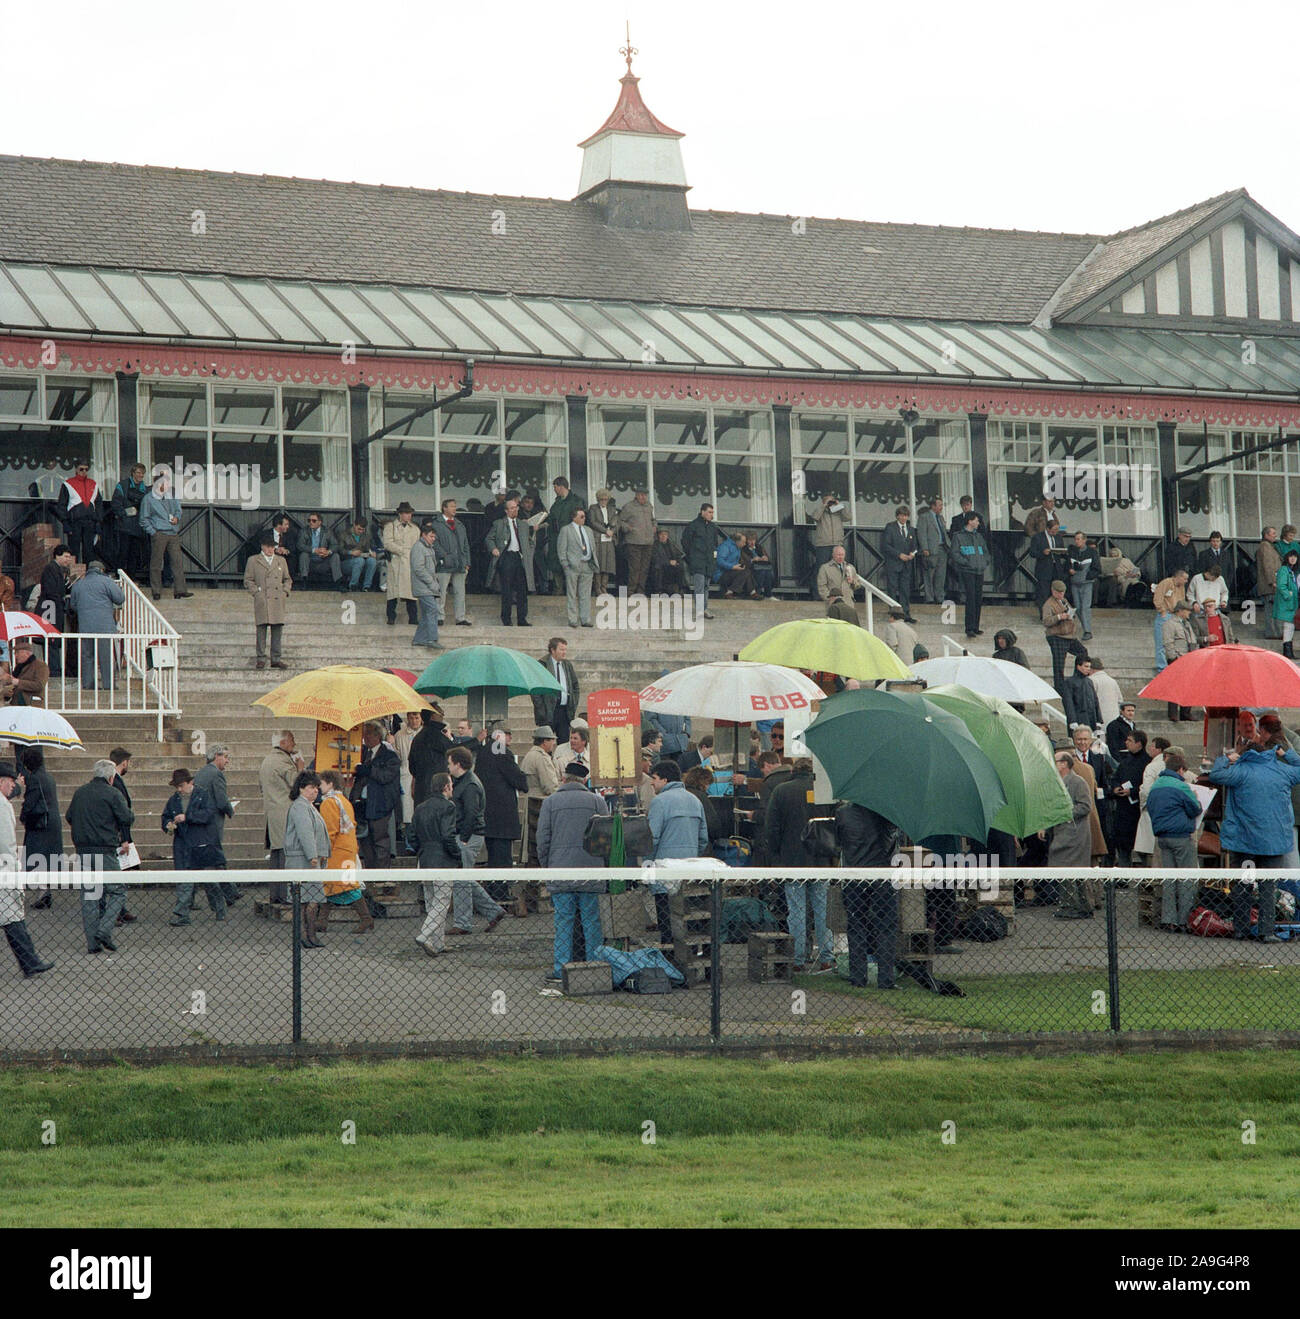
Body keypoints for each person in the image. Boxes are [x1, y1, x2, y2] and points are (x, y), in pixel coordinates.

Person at [1208, 736, 1300, 942]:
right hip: (1274, 843)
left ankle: (1241, 929)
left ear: (1247, 753)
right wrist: (1287, 754)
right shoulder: (1282, 770)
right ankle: (1266, 932)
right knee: (1268, 887)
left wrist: (1227, 758)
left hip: (1245, 843)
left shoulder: (1240, 771)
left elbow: (1216, 775)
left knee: (1243, 886)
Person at [538, 760, 608, 980]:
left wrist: (547, 865)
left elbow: (542, 839)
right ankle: (594, 966)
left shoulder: (550, 803)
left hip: (561, 870)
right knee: (591, 921)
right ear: (585, 780)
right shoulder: (597, 802)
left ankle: (561, 969)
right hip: (591, 871)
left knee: (563, 922)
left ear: (564, 779)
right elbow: (606, 838)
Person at [765, 757, 833, 972]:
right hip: (821, 859)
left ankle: (798, 958)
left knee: (796, 910)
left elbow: (772, 829)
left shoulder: (781, 791)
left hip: (792, 860)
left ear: (794, 770)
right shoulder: (825, 791)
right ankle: (826, 957)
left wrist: (775, 856)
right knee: (822, 910)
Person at [66, 759, 133, 954]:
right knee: (118, 890)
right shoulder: (113, 793)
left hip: (83, 851)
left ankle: (92, 943)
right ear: (111, 778)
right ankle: (104, 930)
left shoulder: (80, 793)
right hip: (105, 850)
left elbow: (70, 816)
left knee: (90, 896)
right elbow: (127, 818)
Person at [646, 759, 709, 948]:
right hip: (689, 872)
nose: (651, 782)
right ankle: (692, 954)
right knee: (688, 919)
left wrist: (648, 864)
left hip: (664, 872)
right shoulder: (694, 800)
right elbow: (703, 838)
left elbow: (652, 838)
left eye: (654, 778)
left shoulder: (659, 802)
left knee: (666, 920)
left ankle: (669, 956)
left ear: (665, 780)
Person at [837, 800, 899, 988]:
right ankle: (886, 979)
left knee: (856, 926)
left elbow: (840, 840)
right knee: (886, 927)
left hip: (854, 875)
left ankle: (858, 977)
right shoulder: (887, 812)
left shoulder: (843, 813)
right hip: (882, 875)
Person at [0, 759, 52, 977]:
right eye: (10, 781)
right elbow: (5, 843)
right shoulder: (2, 806)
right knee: (12, 917)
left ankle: (30, 962)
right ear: (1, 781)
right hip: (4, 870)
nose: (13, 785)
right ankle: (30, 962)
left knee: (11, 918)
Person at [446, 744, 504, 934]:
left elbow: (471, 812)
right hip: (469, 834)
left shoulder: (469, 784)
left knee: (462, 879)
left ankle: (463, 923)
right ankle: (493, 911)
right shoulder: (468, 781)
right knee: (464, 877)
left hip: (468, 835)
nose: (448, 766)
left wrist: (463, 838)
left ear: (458, 764)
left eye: (450, 763)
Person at [1147, 749, 1202, 931]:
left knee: (1169, 879)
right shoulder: (1181, 786)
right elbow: (1194, 809)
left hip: (1162, 837)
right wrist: (1196, 800)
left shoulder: (1155, 786)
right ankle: (1184, 920)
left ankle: (1168, 919)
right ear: (1180, 770)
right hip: (1180, 837)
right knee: (1186, 878)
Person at [165, 768, 229, 925]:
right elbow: (165, 816)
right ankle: (182, 914)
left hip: (201, 843)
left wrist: (187, 817)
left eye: (181, 785)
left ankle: (219, 908)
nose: (179, 790)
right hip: (184, 844)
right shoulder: (174, 800)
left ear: (190, 782)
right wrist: (167, 824)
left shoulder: (203, 795)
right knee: (184, 880)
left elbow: (208, 815)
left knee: (209, 881)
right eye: (177, 787)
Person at [412, 772, 461, 957]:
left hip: (424, 858)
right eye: (451, 785)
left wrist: (421, 850)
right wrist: (457, 855)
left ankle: (438, 943)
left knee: (432, 901)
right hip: (442, 860)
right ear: (445, 787)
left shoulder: (420, 808)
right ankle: (425, 935)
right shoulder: (448, 807)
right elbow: (448, 836)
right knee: (442, 901)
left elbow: (412, 836)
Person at [317, 770, 373, 933]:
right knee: (338, 884)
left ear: (330, 784)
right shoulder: (343, 801)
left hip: (336, 851)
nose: (319, 787)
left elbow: (330, 830)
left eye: (321, 783)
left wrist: (323, 851)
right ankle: (323, 920)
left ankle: (365, 918)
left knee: (339, 884)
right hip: (348, 848)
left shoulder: (329, 802)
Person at [284, 771, 331, 949]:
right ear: (301, 788)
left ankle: (308, 935)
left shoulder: (307, 806)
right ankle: (306, 935)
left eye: (317, 788)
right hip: (302, 860)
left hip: (308, 859)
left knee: (309, 900)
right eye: (311, 787)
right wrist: (313, 855)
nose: (315, 791)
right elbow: (305, 833)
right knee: (307, 901)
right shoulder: (300, 807)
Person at [476, 723, 529, 872]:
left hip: (488, 811)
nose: (510, 737)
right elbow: (517, 778)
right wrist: (524, 782)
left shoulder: (483, 751)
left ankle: (495, 887)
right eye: (507, 733)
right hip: (502, 814)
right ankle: (501, 890)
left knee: (493, 855)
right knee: (503, 856)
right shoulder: (502, 751)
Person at [193, 743, 241, 906]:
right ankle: (226, 895)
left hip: (201, 822)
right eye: (226, 757)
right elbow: (221, 800)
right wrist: (230, 810)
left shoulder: (200, 773)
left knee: (210, 859)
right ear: (217, 756)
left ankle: (230, 892)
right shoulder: (216, 775)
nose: (227, 761)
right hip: (212, 823)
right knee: (215, 858)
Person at [1049, 751, 1094, 919]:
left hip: (1075, 834)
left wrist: (1064, 813)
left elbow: (1085, 806)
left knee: (1072, 869)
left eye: (1056, 761)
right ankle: (1076, 905)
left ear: (1064, 764)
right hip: (1063, 832)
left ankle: (1076, 906)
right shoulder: (1058, 783)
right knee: (1068, 870)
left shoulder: (1077, 782)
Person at [350, 721, 400, 870]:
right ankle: (370, 874)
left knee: (380, 840)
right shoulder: (363, 753)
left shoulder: (389, 756)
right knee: (365, 841)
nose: (365, 737)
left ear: (377, 736)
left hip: (380, 805)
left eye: (368, 734)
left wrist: (368, 770)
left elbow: (385, 776)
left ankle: (382, 876)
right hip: (362, 804)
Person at [260, 730, 303, 901]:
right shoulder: (283, 762)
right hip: (285, 813)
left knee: (276, 856)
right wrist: (300, 768)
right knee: (287, 855)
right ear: (283, 742)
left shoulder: (267, 760)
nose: (294, 743)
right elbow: (296, 784)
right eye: (292, 740)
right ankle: (286, 896)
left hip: (271, 813)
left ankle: (275, 894)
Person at [69, 560, 124, 691]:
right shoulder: (107, 581)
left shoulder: (78, 584)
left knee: (87, 656)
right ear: (102, 570)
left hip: (85, 627)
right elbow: (120, 598)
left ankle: (88, 685)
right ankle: (108, 685)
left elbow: (73, 605)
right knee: (106, 657)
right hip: (105, 627)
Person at [244, 532, 292, 670]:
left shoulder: (280, 561)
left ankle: (276, 658)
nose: (271, 549)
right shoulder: (253, 560)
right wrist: (256, 593)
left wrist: (285, 591)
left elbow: (287, 579)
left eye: (273, 547)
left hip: (277, 599)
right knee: (261, 629)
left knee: (277, 630)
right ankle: (261, 658)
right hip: (262, 597)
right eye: (268, 546)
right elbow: (248, 580)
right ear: (262, 546)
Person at [139, 471, 190, 601]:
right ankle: (156, 591)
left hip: (173, 532)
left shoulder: (171, 496)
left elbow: (178, 510)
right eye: (165, 483)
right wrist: (153, 532)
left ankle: (180, 590)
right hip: (159, 533)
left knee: (177, 562)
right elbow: (143, 519)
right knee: (156, 563)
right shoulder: (148, 499)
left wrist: (177, 519)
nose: (167, 485)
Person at [19, 746, 60, 908]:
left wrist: (23, 817)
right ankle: (45, 892)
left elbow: (30, 802)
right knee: (46, 859)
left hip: (40, 824)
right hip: (51, 823)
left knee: (37, 858)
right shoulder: (48, 777)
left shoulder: (35, 779)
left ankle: (43, 893)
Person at [485, 496, 532, 626]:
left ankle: (522, 619)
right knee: (507, 591)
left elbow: (530, 542)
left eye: (516, 507)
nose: (515, 510)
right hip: (506, 557)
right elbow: (489, 538)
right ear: (506, 510)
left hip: (519, 558)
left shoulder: (523, 524)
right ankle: (506, 619)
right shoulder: (499, 523)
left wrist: (528, 554)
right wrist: (493, 548)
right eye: (512, 508)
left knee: (522, 591)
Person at [1110, 729, 1149, 867]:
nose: (1126, 742)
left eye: (1130, 740)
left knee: (1142, 849)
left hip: (1138, 811)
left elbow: (1147, 786)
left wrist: (1132, 792)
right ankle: (1123, 877)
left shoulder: (1147, 763)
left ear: (1139, 744)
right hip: (1123, 810)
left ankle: (1146, 881)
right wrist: (1115, 788)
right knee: (1123, 848)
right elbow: (1115, 778)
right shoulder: (1125, 761)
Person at [522, 726, 560, 866]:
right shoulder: (541, 757)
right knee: (540, 842)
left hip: (531, 800)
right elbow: (549, 786)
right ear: (545, 741)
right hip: (540, 803)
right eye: (551, 740)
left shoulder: (530, 755)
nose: (553, 743)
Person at [432, 498, 472, 626]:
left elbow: (466, 545)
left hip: (459, 563)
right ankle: (439, 617)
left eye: (455, 506)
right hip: (444, 564)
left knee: (460, 592)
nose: (455, 508)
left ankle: (460, 617)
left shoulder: (460, 524)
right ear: (444, 508)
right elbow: (435, 543)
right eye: (452, 506)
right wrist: (444, 556)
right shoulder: (436, 524)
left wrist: (467, 562)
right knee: (441, 591)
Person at [533, 637, 578, 744]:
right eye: (561, 650)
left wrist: (573, 703)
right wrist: (541, 710)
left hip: (564, 712)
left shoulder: (567, 665)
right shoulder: (542, 664)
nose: (564, 652)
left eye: (565, 650)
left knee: (564, 744)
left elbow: (575, 686)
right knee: (545, 744)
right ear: (553, 650)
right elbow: (535, 691)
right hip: (548, 711)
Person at [951, 511, 990, 636]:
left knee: (978, 599)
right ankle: (969, 628)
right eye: (977, 520)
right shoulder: (958, 536)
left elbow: (985, 552)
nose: (978, 523)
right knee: (971, 598)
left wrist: (984, 562)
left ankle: (976, 626)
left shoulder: (979, 536)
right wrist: (966, 563)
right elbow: (955, 553)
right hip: (967, 571)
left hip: (979, 571)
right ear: (970, 521)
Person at [56, 459, 102, 564]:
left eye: (86, 469)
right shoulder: (68, 484)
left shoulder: (93, 484)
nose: (84, 472)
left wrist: (98, 522)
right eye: (81, 469)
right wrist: (65, 522)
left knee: (89, 551)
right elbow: (61, 505)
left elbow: (99, 504)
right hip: (74, 522)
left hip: (90, 521)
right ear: (76, 469)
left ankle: (88, 575)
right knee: (73, 550)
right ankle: (73, 575)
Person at [1042, 580, 1084, 694]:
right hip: (1057, 636)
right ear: (1053, 591)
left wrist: (1071, 615)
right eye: (1059, 592)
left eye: (1063, 592)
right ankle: (1059, 688)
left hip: (1068, 635)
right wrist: (1059, 617)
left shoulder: (1064, 601)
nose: (1061, 595)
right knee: (1059, 663)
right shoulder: (1048, 604)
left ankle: (1078, 678)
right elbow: (1046, 621)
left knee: (1083, 652)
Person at [382, 501, 420, 626]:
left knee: (410, 592)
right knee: (393, 592)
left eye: (410, 513)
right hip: (395, 562)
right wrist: (401, 550)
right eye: (406, 513)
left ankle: (413, 618)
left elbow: (417, 545)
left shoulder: (415, 529)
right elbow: (387, 543)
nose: (408, 516)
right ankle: (391, 617)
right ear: (400, 514)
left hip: (409, 563)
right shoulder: (390, 527)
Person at [543, 477, 584, 594]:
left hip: (570, 538)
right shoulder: (557, 502)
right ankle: (558, 589)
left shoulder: (576, 501)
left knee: (571, 564)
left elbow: (580, 519)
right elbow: (551, 519)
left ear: (561, 486)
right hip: (555, 538)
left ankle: (572, 591)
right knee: (556, 563)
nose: (554, 490)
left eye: (555, 487)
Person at [559, 507, 598, 626]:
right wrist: (565, 564)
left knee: (585, 594)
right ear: (574, 517)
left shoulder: (588, 530)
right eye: (581, 516)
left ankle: (585, 619)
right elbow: (561, 549)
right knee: (572, 593)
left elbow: (592, 547)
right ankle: (572, 619)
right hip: (573, 565)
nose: (584, 518)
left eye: (584, 516)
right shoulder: (566, 530)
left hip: (587, 565)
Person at [407, 703, 452, 808]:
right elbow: (454, 750)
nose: (443, 714)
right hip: (435, 789)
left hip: (421, 788)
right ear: (433, 716)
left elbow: (412, 766)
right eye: (439, 712)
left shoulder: (418, 737)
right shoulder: (435, 735)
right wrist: (477, 740)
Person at [110, 463, 150, 580]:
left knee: (134, 555)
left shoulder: (145, 489)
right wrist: (124, 514)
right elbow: (115, 504)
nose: (140, 475)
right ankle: (119, 577)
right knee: (122, 553)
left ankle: (131, 579)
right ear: (132, 473)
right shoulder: (122, 485)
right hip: (124, 526)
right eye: (138, 472)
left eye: (142, 473)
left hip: (138, 527)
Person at [615, 488, 657, 597]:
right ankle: (630, 592)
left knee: (644, 569)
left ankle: (640, 591)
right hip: (633, 542)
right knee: (634, 568)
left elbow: (653, 519)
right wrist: (627, 528)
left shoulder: (649, 506)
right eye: (641, 495)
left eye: (645, 495)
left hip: (648, 542)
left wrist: (654, 526)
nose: (643, 497)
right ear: (636, 495)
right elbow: (620, 521)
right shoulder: (629, 507)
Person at [409, 519, 443, 651]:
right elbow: (418, 568)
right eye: (431, 536)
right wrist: (432, 583)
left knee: (426, 614)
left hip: (426, 587)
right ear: (423, 535)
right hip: (424, 587)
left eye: (434, 536)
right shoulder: (419, 547)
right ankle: (431, 639)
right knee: (432, 610)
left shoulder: (427, 548)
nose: (433, 539)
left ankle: (419, 639)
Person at [1162, 602, 1199, 721]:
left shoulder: (1187, 624)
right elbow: (1168, 642)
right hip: (1178, 658)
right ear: (1180, 611)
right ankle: (1173, 713)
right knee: (1175, 686)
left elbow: (1192, 640)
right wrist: (1173, 658)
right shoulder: (1170, 624)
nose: (1189, 613)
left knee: (1189, 686)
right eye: (1187, 610)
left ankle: (1186, 712)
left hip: (1189, 659)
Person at [880, 505, 918, 621]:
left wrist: (912, 554)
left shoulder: (910, 529)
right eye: (901, 515)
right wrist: (899, 555)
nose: (904, 518)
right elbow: (885, 546)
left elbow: (915, 546)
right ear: (897, 516)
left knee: (905, 590)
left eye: (906, 516)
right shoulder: (890, 527)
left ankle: (906, 614)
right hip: (893, 563)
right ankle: (894, 614)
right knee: (892, 589)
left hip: (906, 565)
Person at [1152, 567, 1189, 672]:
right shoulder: (1166, 582)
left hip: (1175, 615)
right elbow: (1158, 597)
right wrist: (1162, 611)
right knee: (1161, 643)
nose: (1186, 581)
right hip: (1165, 614)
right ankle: (1162, 668)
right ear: (1178, 577)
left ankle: (1174, 666)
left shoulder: (1181, 587)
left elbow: (1182, 601)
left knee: (1175, 643)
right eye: (1185, 579)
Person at [916, 495, 950, 605]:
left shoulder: (940, 518)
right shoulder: (924, 517)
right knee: (929, 574)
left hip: (942, 549)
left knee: (941, 575)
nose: (941, 507)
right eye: (940, 505)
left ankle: (939, 597)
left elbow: (943, 532)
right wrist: (924, 548)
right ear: (933, 506)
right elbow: (922, 534)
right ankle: (929, 597)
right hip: (930, 549)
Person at [393, 709, 424, 830]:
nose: (414, 721)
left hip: (421, 773)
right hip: (405, 773)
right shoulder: (399, 735)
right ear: (407, 719)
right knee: (407, 808)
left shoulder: (425, 733)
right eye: (411, 718)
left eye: (417, 718)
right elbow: (398, 757)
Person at [1066, 530, 1099, 641]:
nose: (1077, 541)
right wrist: (1070, 570)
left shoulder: (1092, 552)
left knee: (1085, 607)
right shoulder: (1072, 552)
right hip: (1074, 583)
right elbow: (1066, 564)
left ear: (1084, 540)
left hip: (1086, 583)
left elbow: (1097, 569)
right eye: (1075, 539)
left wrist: (1086, 576)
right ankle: (1086, 628)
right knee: (1078, 608)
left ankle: (1087, 631)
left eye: (1079, 539)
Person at [297, 512, 342, 588]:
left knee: (335, 556)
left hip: (323, 561)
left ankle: (338, 582)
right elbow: (299, 545)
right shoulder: (304, 531)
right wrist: (314, 550)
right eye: (309, 520)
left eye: (314, 521)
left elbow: (335, 545)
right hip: (310, 561)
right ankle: (304, 581)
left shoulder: (327, 531)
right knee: (303, 555)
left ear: (320, 522)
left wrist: (328, 552)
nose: (311, 522)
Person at [1030, 519, 1067, 609]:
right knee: (1043, 593)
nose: (1055, 532)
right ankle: (1044, 615)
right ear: (1047, 528)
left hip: (1056, 569)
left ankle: (1056, 613)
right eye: (1053, 530)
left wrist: (1062, 552)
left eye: (1057, 530)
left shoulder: (1058, 537)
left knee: (1057, 592)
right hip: (1044, 569)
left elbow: (1062, 550)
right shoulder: (1038, 537)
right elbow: (1032, 553)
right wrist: (1042, 553)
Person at [587, 489, 618, 598]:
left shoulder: (612, 509)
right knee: (598, 563)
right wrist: (605, 531)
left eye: (606, 499)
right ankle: (597, 588)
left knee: (608, 564)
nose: (604, 501)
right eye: (601, 499)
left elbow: (616, 522)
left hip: (609, 540)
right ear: (598, 499)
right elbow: (593, 522)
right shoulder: (593, 508)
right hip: (598, 539)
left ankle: (604, 587)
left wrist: (612, 531)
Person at [1062, 655, 1101, 732]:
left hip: (1091, 719)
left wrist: (1098, 719)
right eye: (1086, 666)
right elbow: (1068, 702)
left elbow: (1095, 701)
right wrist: (1072, 720)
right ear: (1078, 666)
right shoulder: (1069, 682)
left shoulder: (1089, 681)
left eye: (1089, 667)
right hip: (1078, 718)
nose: (1088, 669)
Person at [648, 526, 688, 598]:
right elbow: (655, 559)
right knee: (657, 567)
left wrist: (677, 561)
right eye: (661, 534)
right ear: (658, 536)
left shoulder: (672, 545)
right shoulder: (654, 545)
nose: (663, 536)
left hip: (671, 567)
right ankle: (658, 590)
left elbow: (679, 554)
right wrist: (668, 562)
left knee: (680, 566)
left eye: (665, 534)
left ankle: (681, 589)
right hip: (661, 567)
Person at [1275, 548, 1300, 660]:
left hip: (1292, 603)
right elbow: (1281, 585)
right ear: (1287, 558)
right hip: (1288, 603)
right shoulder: (1284, 570)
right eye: (1291, 556)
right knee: (1288, 626)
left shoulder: (1292, 571)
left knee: (1290, 625)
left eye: (1295, 556)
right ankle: (1287, 651)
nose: (1293, 558)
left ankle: (1288, 651)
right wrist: (1288, 595)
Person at [341, 519, 380, 593]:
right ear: (354, 525)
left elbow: (370, 548)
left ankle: (367, 587)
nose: (360, 531)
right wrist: (351, 552)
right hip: (346, 562)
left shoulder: (366, 537)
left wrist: (372, 553)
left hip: (361, 562)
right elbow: (339, 550)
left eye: (363, 530)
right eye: (359, 529)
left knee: (372, 561)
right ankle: (353, 586)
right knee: (359, 560)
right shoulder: (344, 534)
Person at [1257, 526, 1282, 638]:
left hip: (1271, 584)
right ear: (1266, 535)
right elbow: (1268, 565)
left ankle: (1275, 632)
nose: (1275, 535)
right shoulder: (1265, 546)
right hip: (1270, 585)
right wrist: (1272, 582)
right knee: (1271, 609)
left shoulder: (1268, 546)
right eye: (1273, 533)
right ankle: (1272, 632)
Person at [7, 639, 48, 707]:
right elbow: (14, 686)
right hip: (16, 704)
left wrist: (18, 682)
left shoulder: (40, 665)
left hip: (32, 705)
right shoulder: (19, 667)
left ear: (27, 653)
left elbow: (39, 685)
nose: (15, 656)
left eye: (17, 653)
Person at [1088, 658, 1124, 728]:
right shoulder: (1112, 681)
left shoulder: (1091, 680)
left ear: (1091, 668)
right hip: (1114, 718)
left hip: (1098, 719)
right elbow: (1120, 701)